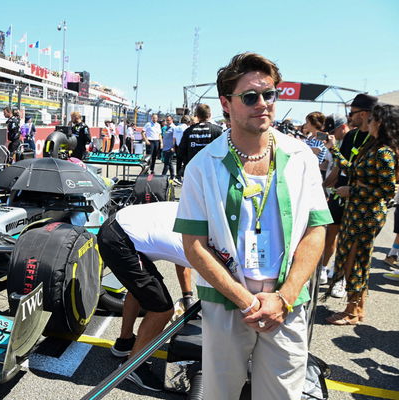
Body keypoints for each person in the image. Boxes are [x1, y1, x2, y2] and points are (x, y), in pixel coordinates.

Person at [174, 52, 332, 400]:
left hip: (286, 303)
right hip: (227, 301)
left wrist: (284, 297)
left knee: (282, 395)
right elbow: (194, 245)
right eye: (250, 96)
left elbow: (315, 230)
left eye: (269, 94)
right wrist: (246, 301)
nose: (263, 104)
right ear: (226, 104)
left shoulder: (301, 156)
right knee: (220, 392)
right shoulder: (202, 166)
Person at [98, 202, 194, 392]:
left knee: (138, 289)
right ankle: (134, 367)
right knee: (162, 309)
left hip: (119, 226)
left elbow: (182, 264)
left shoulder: (192, 212)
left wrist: (187, 296)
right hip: (120, 241)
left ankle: (124, 343)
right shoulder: (191, 245)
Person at [323, 104, 398, 325]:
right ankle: (356, 307)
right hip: (357, 213)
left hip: (367, 216)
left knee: (355, 262)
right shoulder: (374, 147)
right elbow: (353, 170)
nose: (368, 123)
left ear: (381, 123)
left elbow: (387, 190)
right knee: (353, 261)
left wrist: (352, 190)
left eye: (373, 120)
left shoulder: (384, 152)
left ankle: (352, 311)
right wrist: (334, 149)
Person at [321, 94, 377, 297]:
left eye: (351, 113)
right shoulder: (351, 136)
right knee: (333, 235)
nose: (349, 117)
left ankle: (344, 282)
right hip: (341, 193)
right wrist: (328, 185)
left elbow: (387, 185)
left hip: (363, 201)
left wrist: (354, 191)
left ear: (363, 114)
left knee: (354, 246)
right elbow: (342, 164)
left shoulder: (378, 139)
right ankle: (327, 273)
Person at [319, 113, 350, 285]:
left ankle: (340, 277)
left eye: (332, 131)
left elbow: (340, 170)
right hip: (337, 193)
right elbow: (334, 169)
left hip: (351, 195)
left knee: (345, 238)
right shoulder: (338, 142)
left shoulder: (350, 141)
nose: (330, 135)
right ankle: (324, 269)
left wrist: (322, 186)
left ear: (342, 126)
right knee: (331, 232)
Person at [178, 103, 222, 167]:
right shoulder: (218, 131)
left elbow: (180, 152)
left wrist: (180, 169)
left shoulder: (188, 131)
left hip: (193, 169)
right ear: (209, 115)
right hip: (212, 169)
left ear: (197, 116)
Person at [173, 115, 190, 183]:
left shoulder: (176, 127)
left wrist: (173, 147)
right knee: (186, 162)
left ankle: (178, 176)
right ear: (188, 121)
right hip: (185, 147)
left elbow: (174, 138)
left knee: (178, 162)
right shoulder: (187, 128)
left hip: (177, 146)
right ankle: (182, 175)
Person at [161, 115, 176, 181]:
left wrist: (173, 147)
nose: (167, 121)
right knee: (169, 163)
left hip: (170, 148)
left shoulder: (174, 128)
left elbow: (175, 138)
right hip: (165, 148)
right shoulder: (166, 128)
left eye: (169, 120)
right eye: (167, 120)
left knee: (166, 163)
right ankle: (172, 176)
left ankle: (162, 176)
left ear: (172, 120)